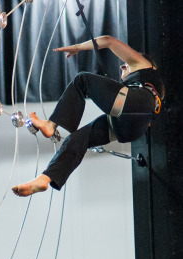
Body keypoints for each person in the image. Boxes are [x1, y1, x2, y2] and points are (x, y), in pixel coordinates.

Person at [13, 35, 164, 197]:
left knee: (82, 80)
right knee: (77, 139)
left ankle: (51, 124)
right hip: (133, 128)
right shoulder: (152, 87)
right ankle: (45, 179)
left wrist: (78, 47)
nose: (121, 66)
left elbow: (108, 40)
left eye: (126, 64)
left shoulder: (145, 66)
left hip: (137, 104)